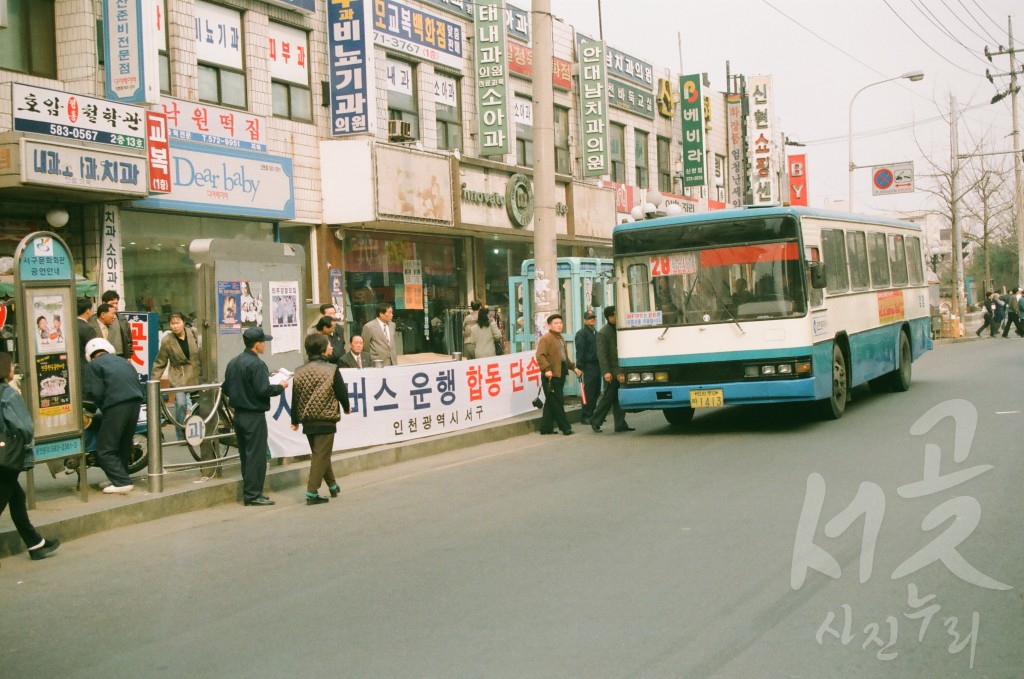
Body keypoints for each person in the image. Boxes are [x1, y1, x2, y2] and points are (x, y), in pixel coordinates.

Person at [0, 352, 60, 563]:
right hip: (6, 456)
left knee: (16, 497)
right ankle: (35, 544)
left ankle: (35, 543)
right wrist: (26, 446)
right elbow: (24, 426)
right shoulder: (8, 394)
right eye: (11, 366)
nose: (13, 369)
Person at [222, 327, 287, 506]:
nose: (265, 345)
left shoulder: (233, 362)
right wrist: (280, 386)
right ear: (257, 344)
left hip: (239, 415)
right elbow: (263, 390)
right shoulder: (257, 364)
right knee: (256, 455)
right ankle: (253, 494)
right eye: (263, 342)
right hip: (254, 415)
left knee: (245, 454)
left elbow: (226, 388)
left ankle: (251, 491)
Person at [290, 333, 350, 505]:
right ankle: (312, 492)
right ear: (323, 349)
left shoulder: (299, 371)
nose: (332, 347)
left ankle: (332, 485)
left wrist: (294, 420)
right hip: (325, 417)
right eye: (329, 345)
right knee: (321, 455)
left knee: (320, 454)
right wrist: (346, 407)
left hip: (308, 419)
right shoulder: (332, 369)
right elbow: (341, 392)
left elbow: (295, 397)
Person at [83, 337, 145, 493]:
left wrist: (89, 409)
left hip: (116, 405)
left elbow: (94, 392)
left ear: (91, 355)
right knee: (123, 445)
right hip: (135, 403)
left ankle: (122, 482)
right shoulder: (123, 361)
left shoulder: (93, 365)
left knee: (105, 449)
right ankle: (120, 478)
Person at [150, 312, 202, 441]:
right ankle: (181, 434)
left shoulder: (193, 333)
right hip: (179, 376)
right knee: (181, 404)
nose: (175, 326)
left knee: (199, 405)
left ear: (183, 322)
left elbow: (202, 352)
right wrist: (154, 381)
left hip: (195, 374)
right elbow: (160, 362)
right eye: (172, 324)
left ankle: (198, 432)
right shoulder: (167, 340)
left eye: (177, 323)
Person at [535, 313, 582, 436]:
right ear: (549, 325)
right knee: (557, 402)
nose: (559, 325)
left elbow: (564, 358)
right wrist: (546, 369)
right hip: (550, 376)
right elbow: (540, 355)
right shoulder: (546, 338)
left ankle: (545, 428)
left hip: (560, 373)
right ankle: (565, 428)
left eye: (560, 323)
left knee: (552, 402)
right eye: (556, 323)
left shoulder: (560, 338)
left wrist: (573, 368)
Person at [591, 306, 634, 433]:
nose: (619, 316)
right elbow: (602, 355)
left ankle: (620, 424)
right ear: (610, 317)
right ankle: (595, 420)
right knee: (608, 397)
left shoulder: (619, 329)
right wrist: (606, 372)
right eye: (616, 315)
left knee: (619, 398)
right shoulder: (603, 333)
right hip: (611, 371)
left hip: (620, 370)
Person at [574, 310, 601, 425]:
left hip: (597, 365)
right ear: (585, 320)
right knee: (589, 392)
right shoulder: (582, 333)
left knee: (596, 391)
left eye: (593, 318)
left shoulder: (595, 332)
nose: (592, 320)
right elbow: (580, 351)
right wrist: (579, 367)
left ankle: (593, 414)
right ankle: (586, 415)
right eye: (589, 318)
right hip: (588, 365)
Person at [89, 290, 132, 359]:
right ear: (104, 303)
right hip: (102, 356)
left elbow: (128, 340)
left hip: (120, 355)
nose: (115, 306)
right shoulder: (93, 320)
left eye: (116, 303)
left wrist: (129, 355)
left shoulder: (122, 319)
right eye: (112, 303)